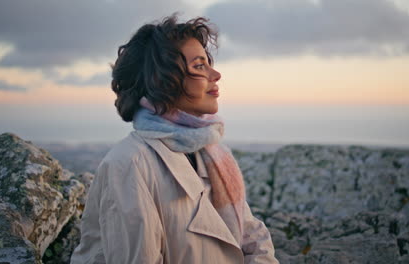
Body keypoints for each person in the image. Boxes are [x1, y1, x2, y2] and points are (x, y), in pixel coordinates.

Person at [70, 13, 279, 264]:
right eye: (200, 66)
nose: (216, 74)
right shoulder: (130, 165)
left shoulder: (212, 153)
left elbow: (252, 238)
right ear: (162, 80)